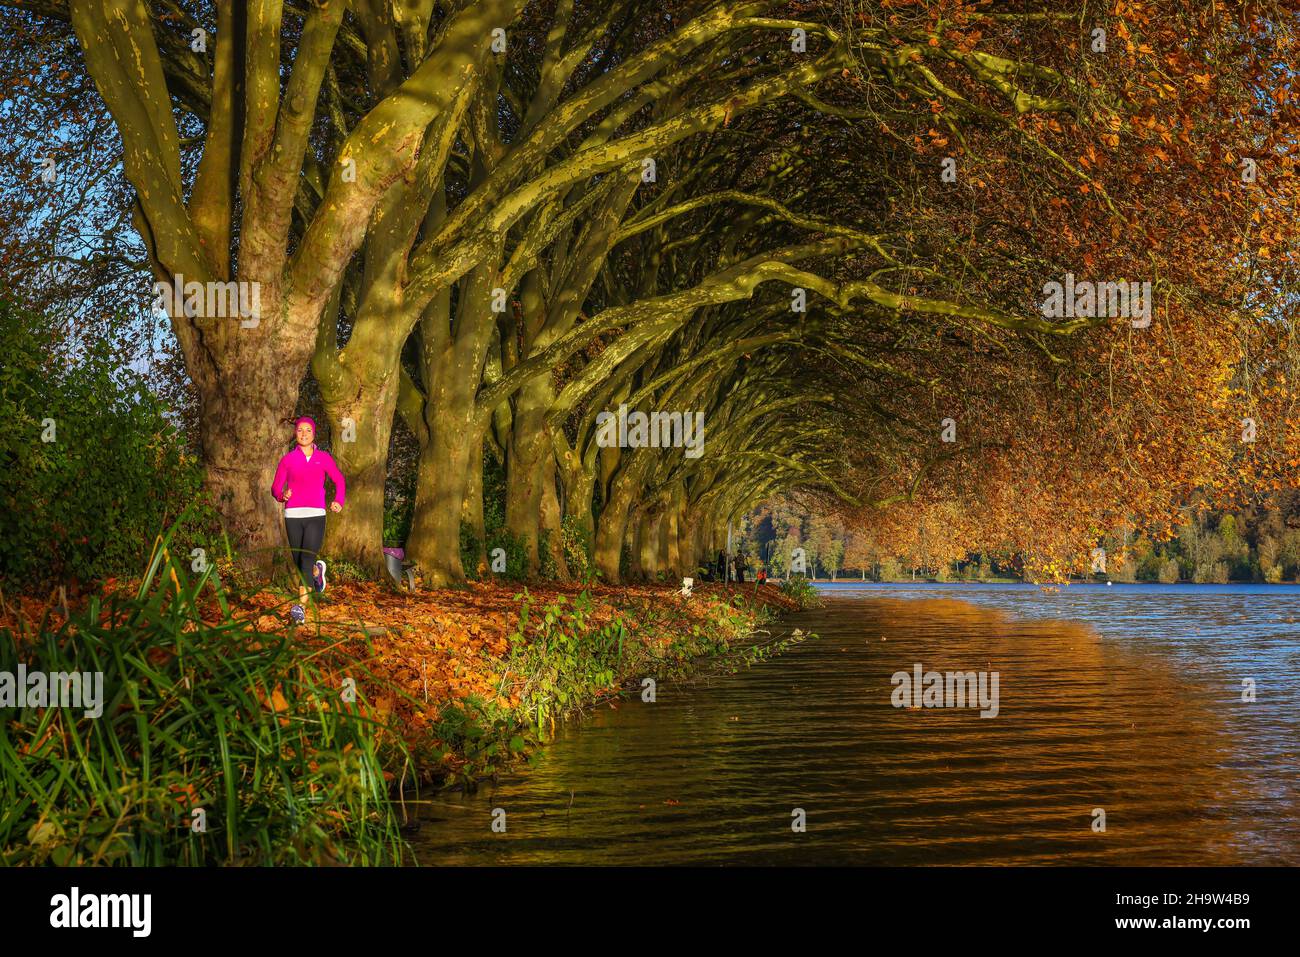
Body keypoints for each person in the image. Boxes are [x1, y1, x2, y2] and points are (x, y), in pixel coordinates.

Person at [271, 416, 345, 622]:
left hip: (315, 514)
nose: (304, 434)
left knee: (306, 557)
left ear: (314, 434)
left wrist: (338, 500)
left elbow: (339, 480)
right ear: (295, 434)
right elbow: (276, 487)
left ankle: (300, 607)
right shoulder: (288, 460)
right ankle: (317, 571)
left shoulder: (323, 458)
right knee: (299, 560)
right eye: (300, 430)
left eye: (308, 430)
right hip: (293, 515)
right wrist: (281, 495)